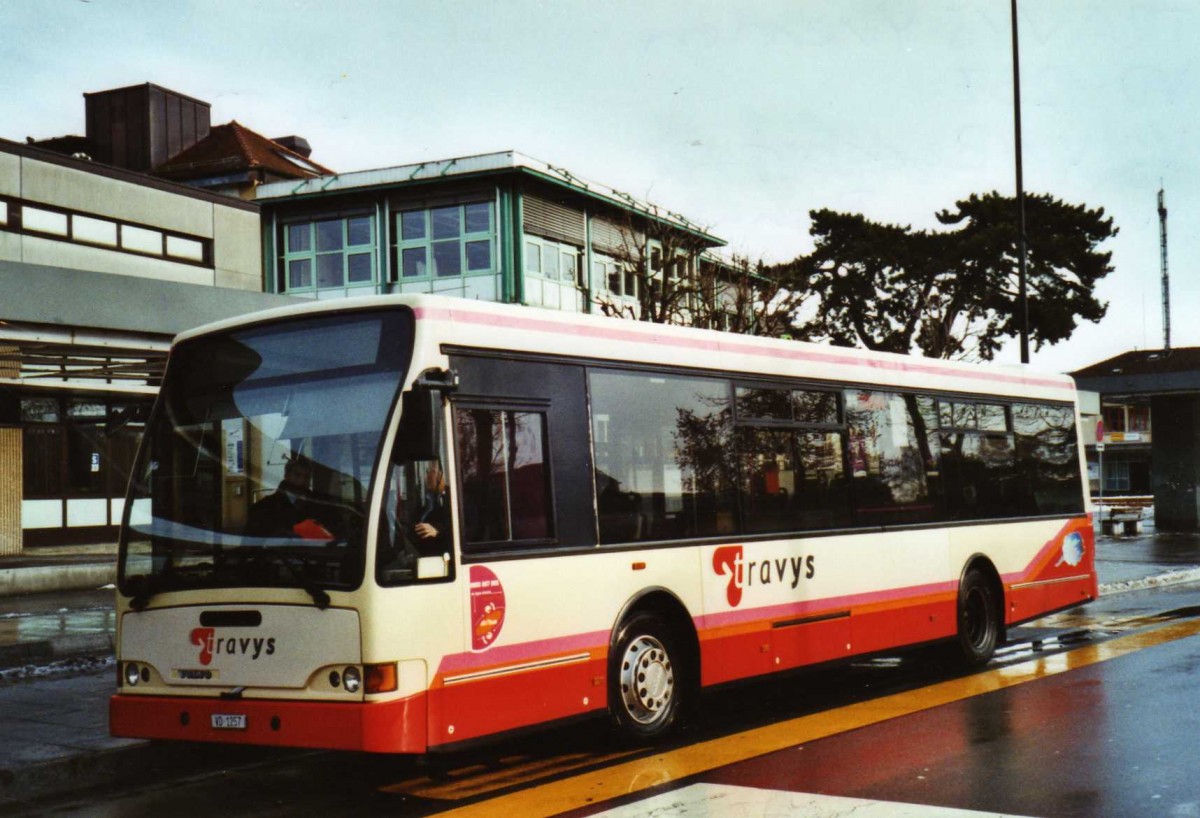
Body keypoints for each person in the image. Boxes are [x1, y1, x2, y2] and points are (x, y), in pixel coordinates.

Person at [245, 456, 330, 539]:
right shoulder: (265, 507)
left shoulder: (320, 505)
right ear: (286, 475)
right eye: (297, 475)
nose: (302, 481)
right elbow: (252, 545)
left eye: (306, 477)